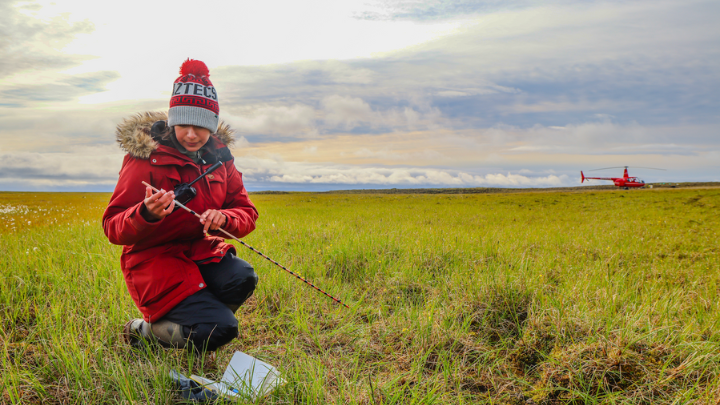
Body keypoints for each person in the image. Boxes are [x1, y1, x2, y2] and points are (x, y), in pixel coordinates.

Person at [103, 59, 259, 352]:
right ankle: (145, 332)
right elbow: (113, 227)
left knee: (242, 277)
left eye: (200, 126)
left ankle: (200, 327)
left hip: (197, 253)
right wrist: (145, 213)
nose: (191, 134)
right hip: (152, 262)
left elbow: (247, 212)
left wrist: (224, 218)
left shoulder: (221, 160)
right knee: (222, 328)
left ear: (212, 126)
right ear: (173, 120)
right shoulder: (145, 159)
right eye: (184, 124)